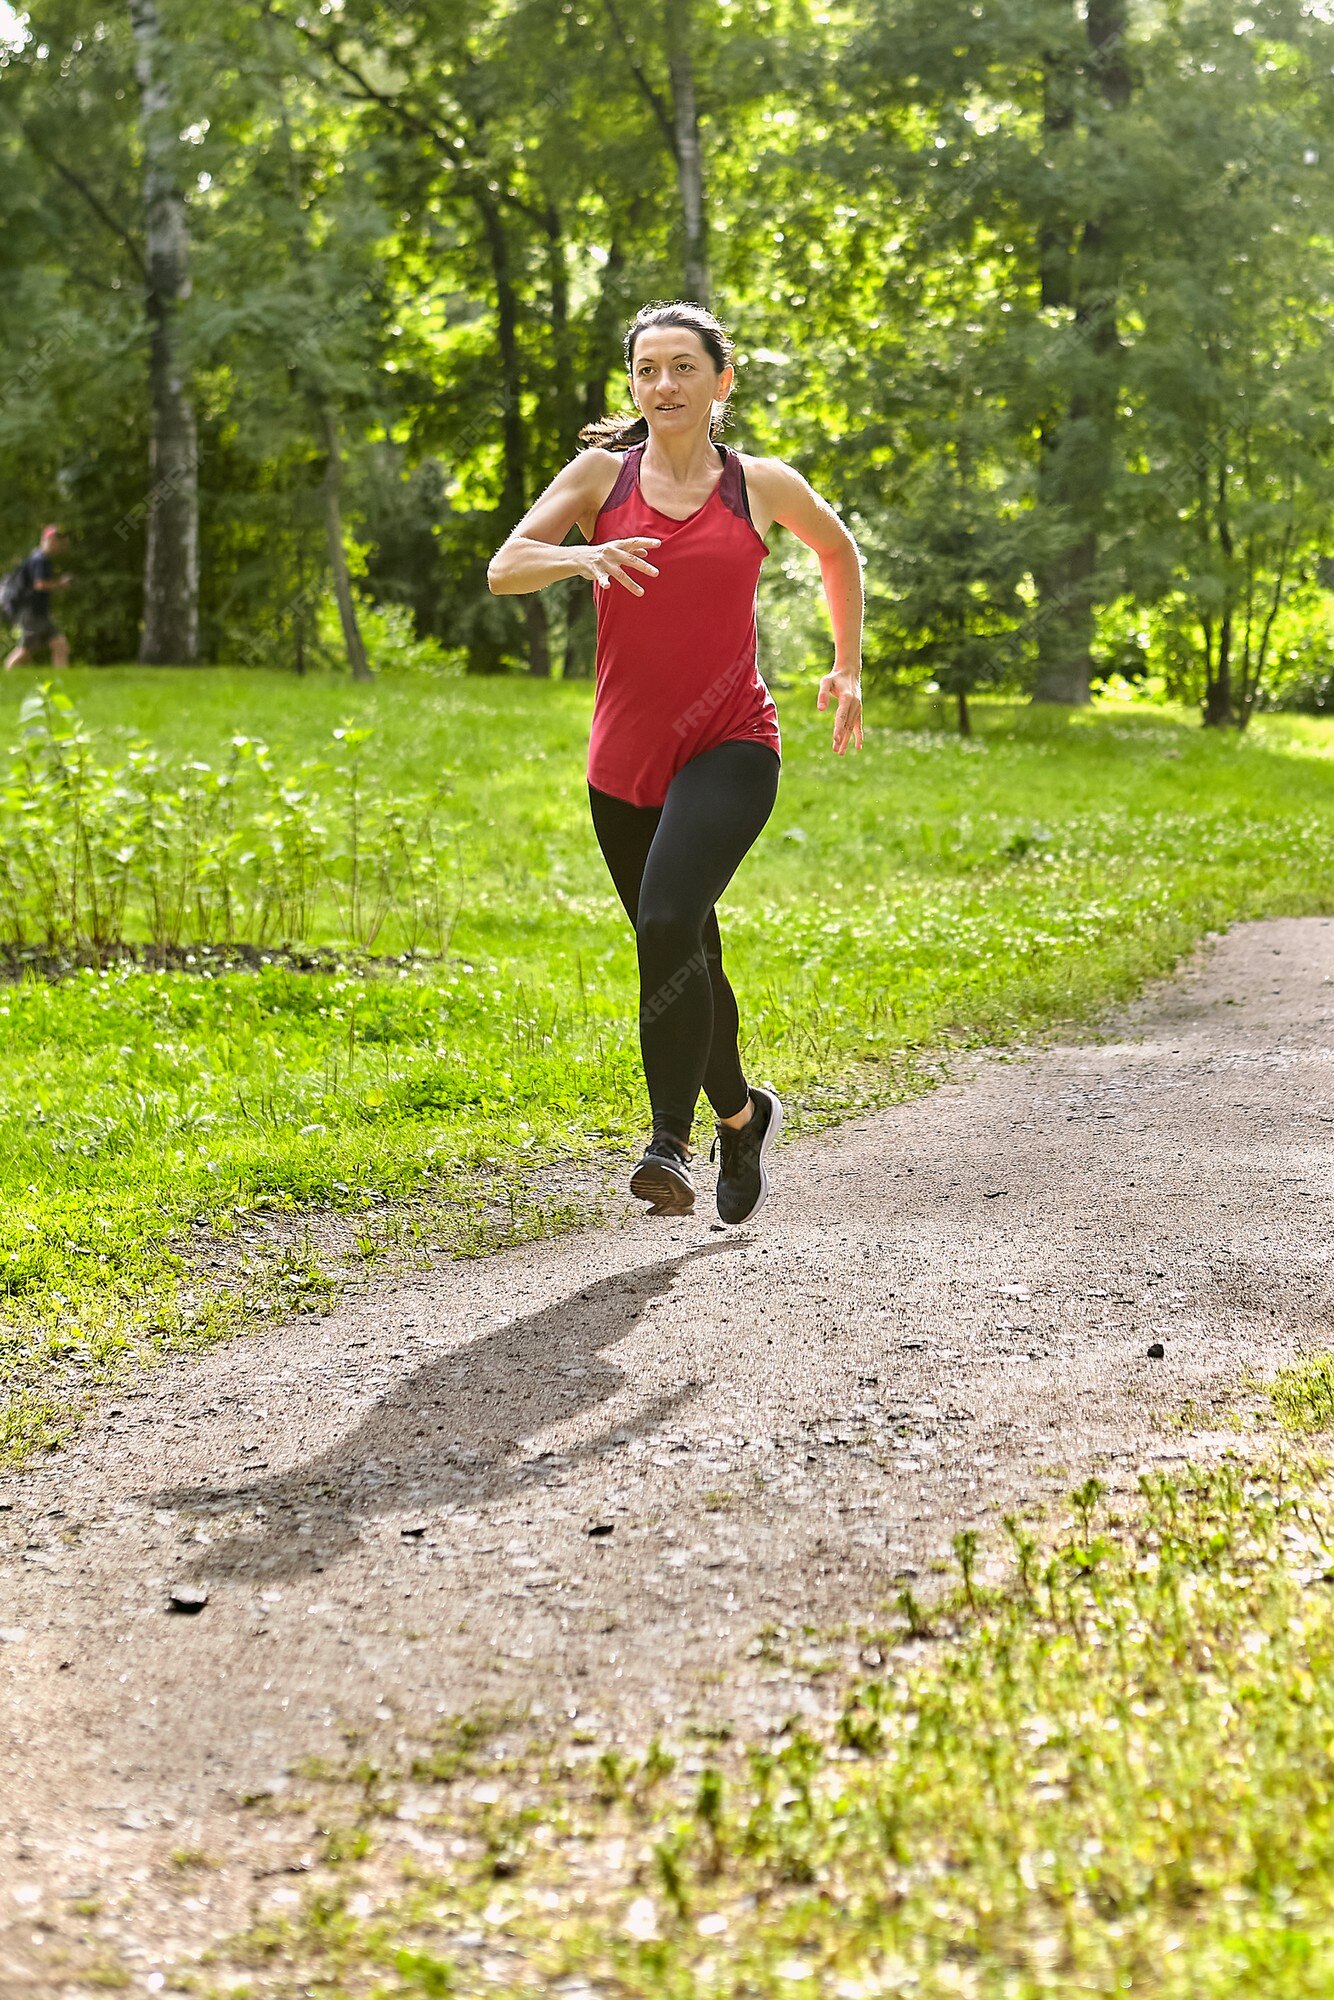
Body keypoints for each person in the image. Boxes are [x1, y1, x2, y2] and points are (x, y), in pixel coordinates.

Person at [488, 301, 863, 1225]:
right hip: (624, 761)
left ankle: (668, 1143)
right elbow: (506, 566)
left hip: (732, 741)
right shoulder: (597, 478)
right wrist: (583, 560)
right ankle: (741, 1114)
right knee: (685, 948)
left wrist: (846, 667)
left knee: (665, 921)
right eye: (648, 369)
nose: (665, 384)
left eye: (684, 367)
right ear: (633, 385)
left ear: (721, 381)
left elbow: (837, 549)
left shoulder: (760, 485)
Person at [4, 524, 72, 670]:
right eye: (53, 540)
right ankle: (6, 673)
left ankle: (63, 682)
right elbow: (40, 585)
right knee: (26, 651)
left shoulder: (41, 559)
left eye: (58, 541)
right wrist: (60, 584)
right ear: (44, 540)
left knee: (60, 645)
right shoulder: (39, 559)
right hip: (31, 614)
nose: (57, 544)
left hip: (38, 613)